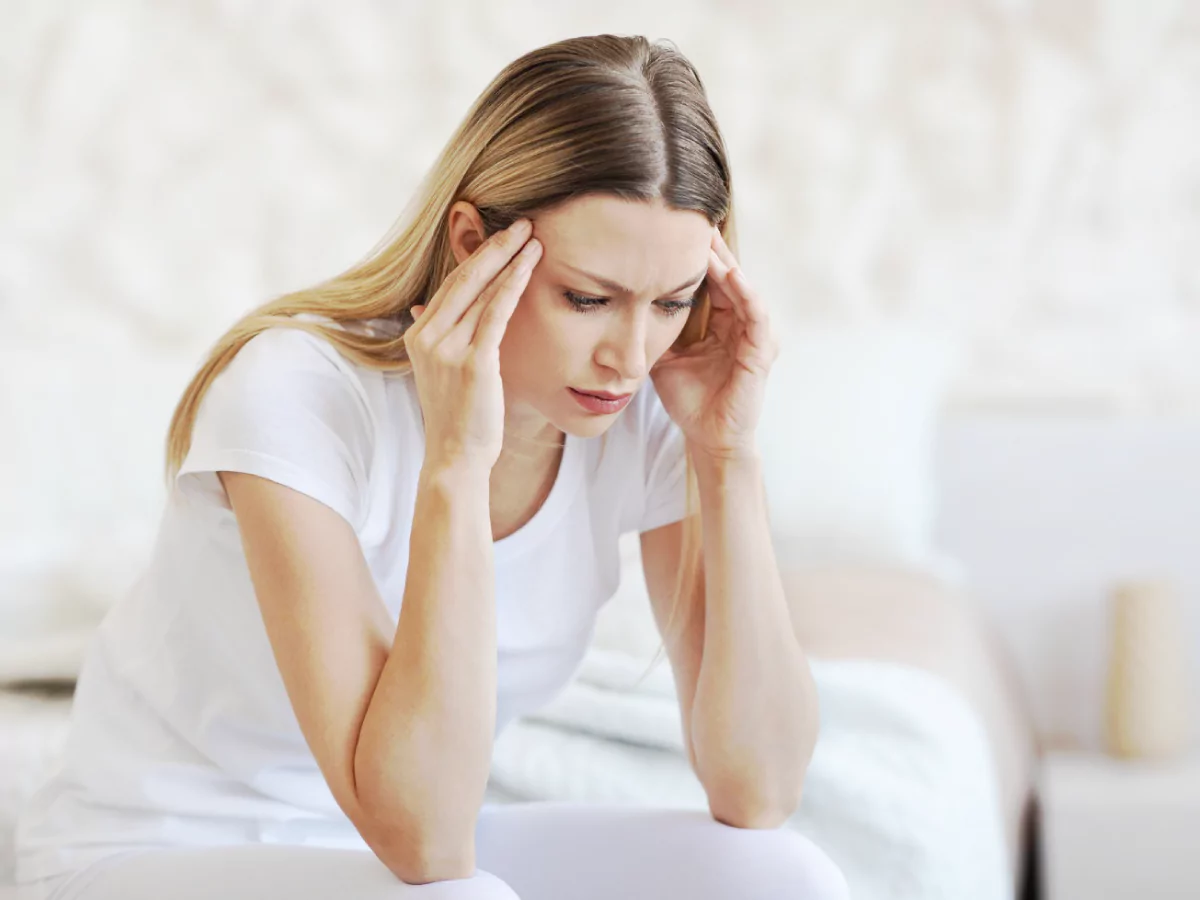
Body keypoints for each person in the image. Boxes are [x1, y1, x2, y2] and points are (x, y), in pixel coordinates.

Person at [14, 33, 848, 900]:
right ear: (471, 242)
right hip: (159, 851)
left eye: (673, 302)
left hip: (399, 848)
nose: (630, 357)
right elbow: (425, 844)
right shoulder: (296, 395)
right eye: (588, 299)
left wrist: (727, 454)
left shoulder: (647, 405)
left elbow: (760, 790)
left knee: (785, 876)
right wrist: (456, 462)